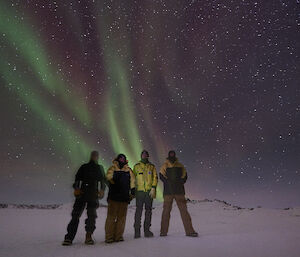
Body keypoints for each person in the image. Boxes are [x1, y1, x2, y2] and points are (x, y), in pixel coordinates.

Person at [62, 151, 106, 246]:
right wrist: (77, 188)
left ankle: (88, 236)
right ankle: (69, 238)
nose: (94, 157)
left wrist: (102, 190)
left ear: (97, 157)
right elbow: (77, 178)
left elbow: (102, 180)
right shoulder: (84, 167)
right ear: (91, 156)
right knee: (75, 215)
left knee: (91, 216)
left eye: (96, 155)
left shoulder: (99, 168)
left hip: (93, 195)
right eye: (93, 155)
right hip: (82, 194)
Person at [159, 150, 198, 237]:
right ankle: (163, 232)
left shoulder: (180, 165)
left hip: (179, 191)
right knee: (166, 211)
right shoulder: (165, 165)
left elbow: (185, 175)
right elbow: (161, 176)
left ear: (175, 155)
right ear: (169, 155)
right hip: (168, 192)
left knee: (184, 211)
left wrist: (180, 182)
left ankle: (190, 231)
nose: (172, 155)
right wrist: (168, 183)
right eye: (171, 154)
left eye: (173, 154)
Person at [105, 154, 135, 243]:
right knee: (111, 217)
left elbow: (133, 181)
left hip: (124, 197)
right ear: (117, 159)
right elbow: (108, 177)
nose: (122, 159)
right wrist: (114, 179)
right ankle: (109, 237)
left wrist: (133, 191)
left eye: (124, 158)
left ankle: (118, 236)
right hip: (113, 197)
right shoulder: (112, 168)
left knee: (121, 218)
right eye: (120, 158)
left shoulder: (129, 170)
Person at [133, 150, 158, 238]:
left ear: (148, 156)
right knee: (138, 211)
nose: (144, 156)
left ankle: (147, 231)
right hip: (139, 192)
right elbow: (133, 178)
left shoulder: (152, 167)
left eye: (145, 154)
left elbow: (155, 177)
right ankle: (137, 232)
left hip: (149, 192)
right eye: (142, 154)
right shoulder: (136, 166)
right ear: (141, 156)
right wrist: (133, 190)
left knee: (148, 211)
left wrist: (153, 188)